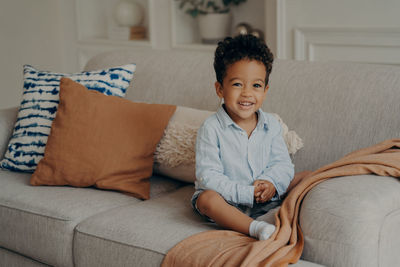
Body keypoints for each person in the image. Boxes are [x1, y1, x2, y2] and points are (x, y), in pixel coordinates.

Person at [192, 34, 294, 241]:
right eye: (238, 84)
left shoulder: (271, 124)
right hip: (227, 203)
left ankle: (281, 214)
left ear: (265, 90)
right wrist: (246, 193)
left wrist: (271, 183)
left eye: (256, 86)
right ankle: (255, 228)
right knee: (206, 199)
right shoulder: (211, 128)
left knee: (304, 177)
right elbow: (208, 176)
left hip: (266, 199)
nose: (247, 94)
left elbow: (282, 164)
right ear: (220, 89)